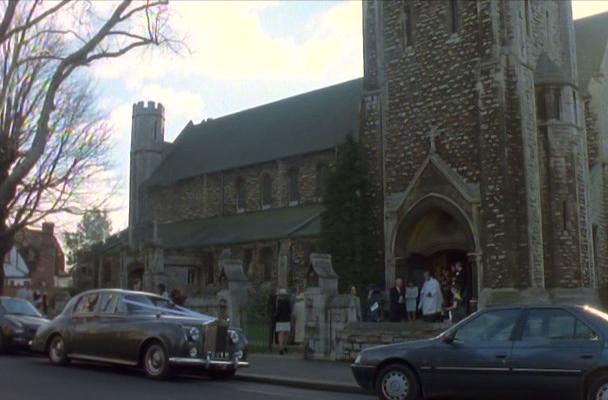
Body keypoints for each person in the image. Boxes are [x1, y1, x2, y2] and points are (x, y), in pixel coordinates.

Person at [274, 289, 292, 355]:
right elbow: (290, 311)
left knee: (280, 334)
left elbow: (277, 311)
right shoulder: (288, 302)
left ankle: (281, 347)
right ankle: (285, 346)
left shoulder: (278, 302)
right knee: (286, 334)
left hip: (280, 319)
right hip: (287, 319)